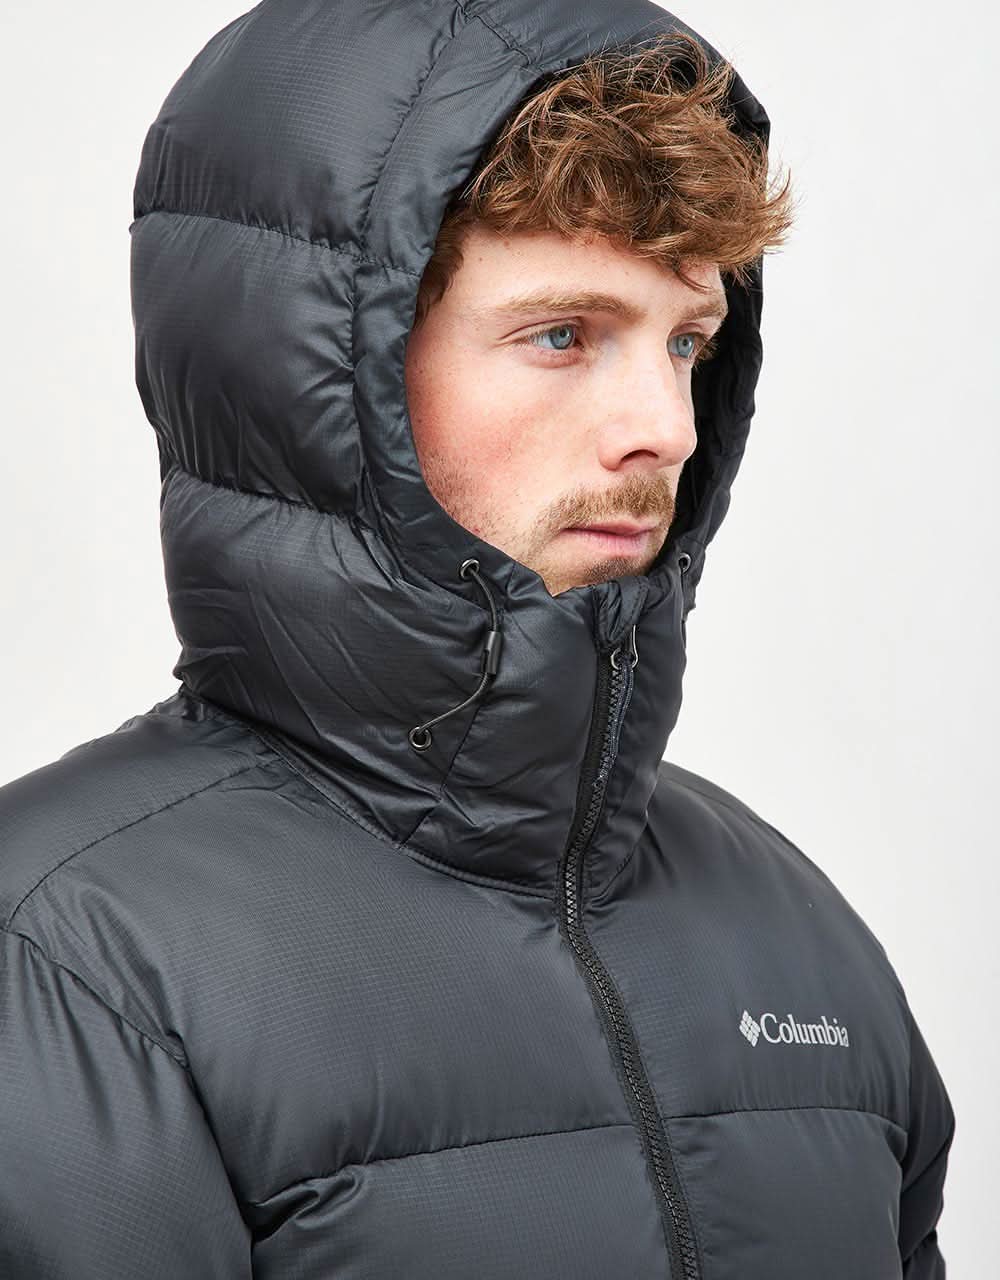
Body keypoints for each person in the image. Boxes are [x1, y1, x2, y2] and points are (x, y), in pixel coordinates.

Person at [0, 2, 954, 1277]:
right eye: (563, 335)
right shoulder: (67, 958)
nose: (666, 427)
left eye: (686, 342)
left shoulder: (797, 935)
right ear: (319, 380)